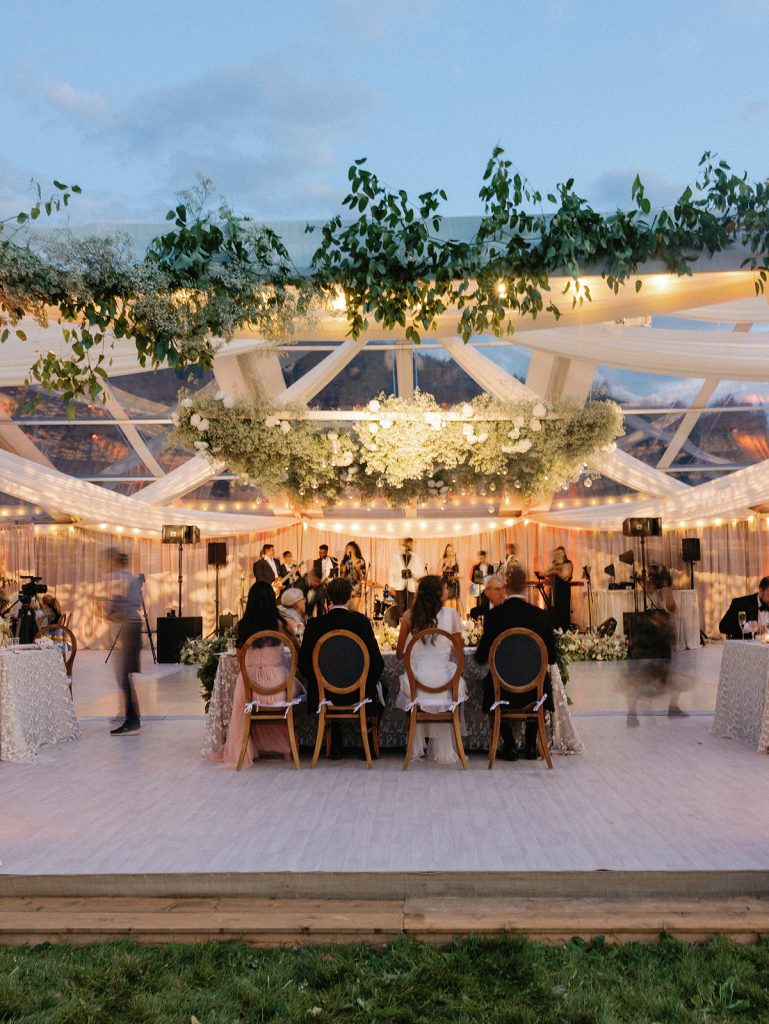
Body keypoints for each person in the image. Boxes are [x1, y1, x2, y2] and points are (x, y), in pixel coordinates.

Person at [474, 565, 555, 761]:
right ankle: (531, 745)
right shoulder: (541, 616)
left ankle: (509, 745)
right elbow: (551, 657)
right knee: (543, 679)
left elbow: (481, 657)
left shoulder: (494, 616)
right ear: (526, 587)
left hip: (502, 688)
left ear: (507, 588)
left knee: (488, 682)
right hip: (535, 688)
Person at [298, 576, 384, 759]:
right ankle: (369, 739)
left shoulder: (314, 625)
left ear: (328, 597)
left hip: (325, 695)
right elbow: (377, 662)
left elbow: (303, 664)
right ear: (350, 597)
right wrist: (365, 682)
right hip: (358, 693)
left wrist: (322, 681)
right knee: (384, 686)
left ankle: (335, 739)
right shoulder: (361, 623)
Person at [217, 581, 301, 767]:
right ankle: (288, 748)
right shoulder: (280, 624)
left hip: (251, 690)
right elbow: (296, 650)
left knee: (241, 687)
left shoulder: (243, 626)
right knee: (298, 689)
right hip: (279, 689)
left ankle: (248, 748)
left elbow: (240, 660)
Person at [395, 574, 467, 764]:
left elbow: (399, 653)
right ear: (437, 593)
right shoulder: (452, 615)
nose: (446, 592)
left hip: (417, 684)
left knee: (407, 684)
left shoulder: (410, 616)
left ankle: (415, 745)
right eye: (444, 589)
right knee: (455, 678)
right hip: (445, 683)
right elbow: (459, 653)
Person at [105, 548, 142, 736]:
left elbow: (116, 606)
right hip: (133, 625)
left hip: (127, 627)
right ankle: (132, 716)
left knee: (123, 676)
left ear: (114, 560)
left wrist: (108, 612)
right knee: (126, 675)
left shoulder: (119, 578)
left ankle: (132, 720)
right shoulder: (131, 577)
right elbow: (136, 601)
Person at [539, 545, 574, 633]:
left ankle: (565, 632)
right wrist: (542, 573)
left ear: (563, 553)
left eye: (559, 553)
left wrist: (556, 569)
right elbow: (545, 572)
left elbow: (565, 576)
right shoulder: (555, 564)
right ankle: (556, 631)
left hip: (563, 591)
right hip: (555, 591)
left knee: (563, 611)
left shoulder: (568, 563)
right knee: (554, 612)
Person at [389, 537, 424, 618]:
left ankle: (409, 625)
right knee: (400, 607)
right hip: (399, 584)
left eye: (410, 543)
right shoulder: (397, 556)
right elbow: (391, 570)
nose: (409, 545)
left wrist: (412, 573)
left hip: (411, 585)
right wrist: (391, 585)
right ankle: (399, 625)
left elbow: (420, 572)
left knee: (410, 607)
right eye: (407, 543)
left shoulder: (416, 557)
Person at [308, 544, 339, 617]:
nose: (320, 554)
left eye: (322, 553)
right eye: (319, 553)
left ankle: (332, 618)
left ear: (326, 552)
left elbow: (337, 573)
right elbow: (314, 575)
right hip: (321, 586)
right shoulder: (316, 562)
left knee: (331, 604)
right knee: (320, 605)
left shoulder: (334, 560)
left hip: (331, 586)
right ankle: (320, 621)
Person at [340, 541, 367, 611]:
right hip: (346, 588)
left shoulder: (361, 561)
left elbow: (364, 578)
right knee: (346, 609)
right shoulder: (346, 562)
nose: (346, 550)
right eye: (346, 549)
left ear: (354, 549)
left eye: (348, 548)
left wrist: (359, 572)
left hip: (356, 587)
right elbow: (341, 577)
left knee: (354, 610)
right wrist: (343, 571)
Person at [469, 550, 493, 615]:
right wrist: (478, 581)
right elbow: (472, 579)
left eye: (483, 558)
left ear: (485, 557)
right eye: (480, 558)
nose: (481, 560)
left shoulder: (491, 567)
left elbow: (492, 578)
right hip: (479, 589)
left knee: (487, 606)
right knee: (479, 606)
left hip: (487, 590)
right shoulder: (476, 567)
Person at [439, 544, 460, 609]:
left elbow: (460, 573)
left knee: (454, 606)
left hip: (454, 584)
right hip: (446, 585)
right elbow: (439, 573)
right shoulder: (442, 560)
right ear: (445, 552)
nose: (449, 553)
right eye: (448, 551)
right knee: (447, 606)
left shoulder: (456, 560)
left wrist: (456, 576)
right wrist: (446, 564)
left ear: (453, 552)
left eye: (451, 551)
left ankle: (454, 618)